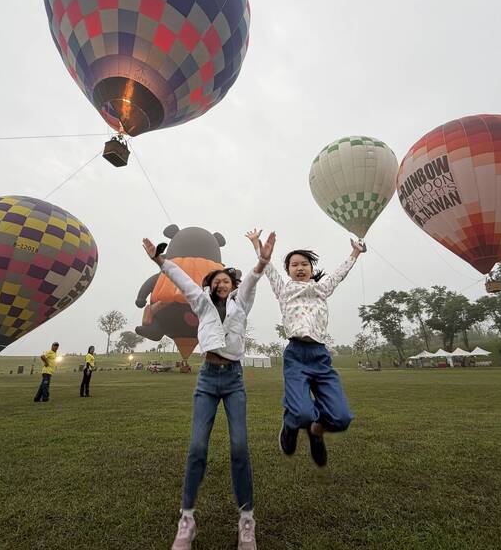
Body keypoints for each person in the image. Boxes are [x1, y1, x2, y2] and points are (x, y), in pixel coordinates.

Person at [142, 232, 275, 550]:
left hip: (233, 380)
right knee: (197, 449)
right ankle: (186, 519)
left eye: (227, 279)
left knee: (240, 448)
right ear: (210, 285)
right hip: (207, 380)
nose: (222, 282)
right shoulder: (200, 303)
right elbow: (181, 277)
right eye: (216, 280)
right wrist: (159, 260)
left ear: (232, 285)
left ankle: (247, 520)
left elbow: (254, 279)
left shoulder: (242, 303)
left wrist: (263, 259)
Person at [247, 229, 365, 468]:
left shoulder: (322, 289)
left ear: (312, 269)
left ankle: (316, 432)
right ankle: (290, 427)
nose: (300, 268)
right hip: (296, 354)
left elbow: (340, 274)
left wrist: (355, 252)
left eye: (304, 264)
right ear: (288, 270)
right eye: (294, 265)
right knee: (301, 412)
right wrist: (257, 245)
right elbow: (268, 268)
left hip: (320, 356)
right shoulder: (283, 289)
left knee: (341, 418)